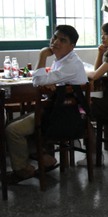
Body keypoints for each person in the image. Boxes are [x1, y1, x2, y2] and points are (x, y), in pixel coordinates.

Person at [5, 25, 88, 184]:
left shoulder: (71, 64)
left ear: (72, 46)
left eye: (62, 40)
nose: (55, 42)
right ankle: (45, 158)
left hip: (66, 116)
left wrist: (42, 55)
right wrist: (51, 83)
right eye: (55, 37)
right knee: (14, 122)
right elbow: (44, 81)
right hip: (58, 110)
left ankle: (22, 170)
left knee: (12, 130)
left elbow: (37, 81)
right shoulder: (64, 60)